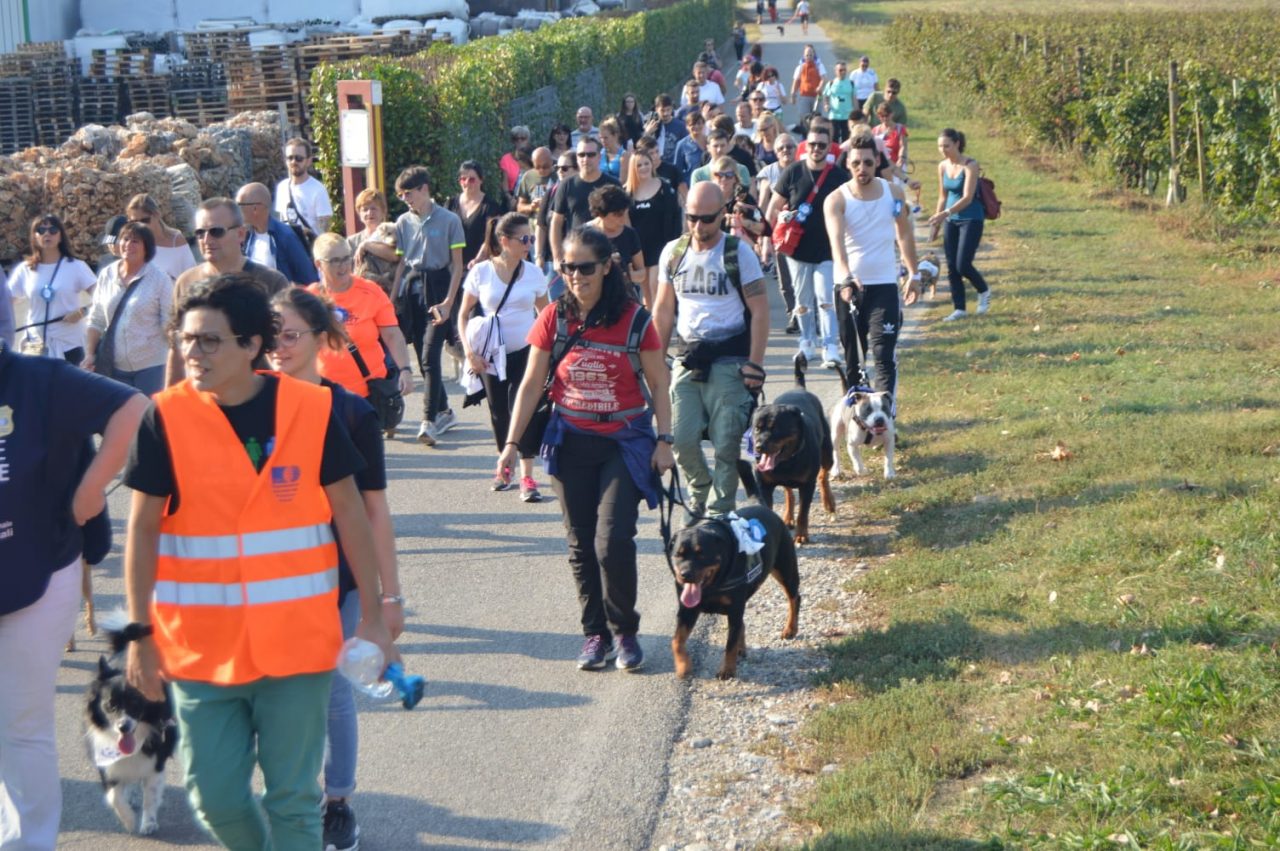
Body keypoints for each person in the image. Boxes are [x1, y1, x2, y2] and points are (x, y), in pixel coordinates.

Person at [123, 274, 398, 851]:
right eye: (186, 339)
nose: (192, 354)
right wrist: (140, 634)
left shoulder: (311, 408)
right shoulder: (164, 418)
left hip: (298, 648)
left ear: (251, 346)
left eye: (209, 342)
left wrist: (374, 612)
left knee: (295, 802)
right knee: (213, 797)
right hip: (201, 650)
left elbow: (351, 513)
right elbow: (142, 529)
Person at [497, 226, 673, 671]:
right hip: (570, 439)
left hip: (624, 442)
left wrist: (666, 441)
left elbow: (659, 383)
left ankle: (625, 632)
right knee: (580, 544)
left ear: (607, 266)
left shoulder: (635, 320)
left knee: (611, 541)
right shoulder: (555, 317)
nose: (576, 275)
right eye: (568, 267)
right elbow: (533, 383)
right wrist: (512, 445)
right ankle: (595, 634)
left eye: (585, 267)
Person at [266, 287, 405, 851]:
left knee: (331, 688)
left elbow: (374, 509)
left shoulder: (350, 411)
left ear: (323, 340)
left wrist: (389, 598)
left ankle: (338, 801)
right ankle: (290, 796)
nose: (278, 346)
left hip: (337, 575)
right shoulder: (249, 404)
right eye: (270, 334)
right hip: (268, 572)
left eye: (291, 334)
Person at [0, 340, 146, 851]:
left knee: (20, 722)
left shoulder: (40, 379)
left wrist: (90, 491)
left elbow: (134, 408)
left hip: (34, 574)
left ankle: (27, 842)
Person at [654, 182, 769, 517]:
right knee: (684, 440)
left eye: (706, 219)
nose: (698, 226)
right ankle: (701, 495)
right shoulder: (673, 253)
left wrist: (755, 364)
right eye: (691, 218)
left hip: (730, 361)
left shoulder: (738, 253)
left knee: (726, 443)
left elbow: (760, 309)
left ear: (723, 214)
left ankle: (719, 514)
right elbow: (663, 310)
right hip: (687, 359)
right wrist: (655, 362)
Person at [456, 213, 549, 501]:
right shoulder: (481, 272)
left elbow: (546, 316)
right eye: (524, 239)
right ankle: (503, 466)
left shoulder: (534, 273)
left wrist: (549, 354)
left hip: (526, 351)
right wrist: (469, 352)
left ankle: (528, 475)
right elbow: (462, 315)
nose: (529, 244)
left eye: (531, 238)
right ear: (504, 241)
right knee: (499, 411)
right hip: (491, 354)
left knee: (527, 410)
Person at [824, 134, 921, 395]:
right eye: (856, 163)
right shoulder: (836, 200)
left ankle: (887, 420)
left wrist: (914, 272)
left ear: (877, 161)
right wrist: (845, 278)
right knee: (855, 360)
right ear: (848, 165)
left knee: (884, 356)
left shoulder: (894, 193)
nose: (862, 169)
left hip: (885, 285)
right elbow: (837, 245)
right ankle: (859, 422)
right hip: (850, 288)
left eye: (868, 162)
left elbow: (904, 235)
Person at [165, 197, 289, 385]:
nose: (207, 240)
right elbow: (176, 347)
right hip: (203, 398)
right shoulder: (186, 283)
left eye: (216, 232)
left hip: (258, 397)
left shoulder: (271, 282)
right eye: (200, 233)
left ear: (241, 234)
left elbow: (287, 346)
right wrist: (168, 402)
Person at [390, 166, 466, 444]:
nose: (405, 199)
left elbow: (457, 266)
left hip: (439, 285)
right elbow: (400, 263)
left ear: (424, 189)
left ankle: (428, 420)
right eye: (401, 195)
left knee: (430, 356)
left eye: (408, 193)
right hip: (412, 287)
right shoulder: (402, 222)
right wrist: (392, 299)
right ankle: (445, 411)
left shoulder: (449, 220)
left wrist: (448, 301)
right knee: (422, 356)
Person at [768, 122, 850, 367]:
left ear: (829, 147)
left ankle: (831, 346)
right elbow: (773, 206)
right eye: (812, 144)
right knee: (802, 301)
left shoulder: (838, 175)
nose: (816, 149)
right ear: (806, 146)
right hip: (797, 251)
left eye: (821, 145)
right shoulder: (793, 172)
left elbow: (849, 207)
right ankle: (806, 342)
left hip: (827, 249)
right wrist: (782, 216)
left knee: (826, 299)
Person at [307, 233, 414, 419]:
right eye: (334, 261)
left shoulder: (370, 291)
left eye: (346, 258)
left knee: (366, 447)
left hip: (368, 393)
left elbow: (392, 335)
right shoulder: (309, 299)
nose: (343, 266)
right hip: (323, 393)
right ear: (319, 264)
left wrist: (405, 369)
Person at [83, 221, 173, 395]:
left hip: (152, 367)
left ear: (147, 247)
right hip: (114, 367)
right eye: (125, 239)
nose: (128, 245)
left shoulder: (160, 279)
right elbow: (96, 319)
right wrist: (89, 354)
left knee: (151, 418)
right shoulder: (107, 275)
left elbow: (168, 322)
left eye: (135, 241)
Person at [7, 215, 96, 365]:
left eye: (53, 230)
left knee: (69, 388)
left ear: (61, 236)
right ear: (34, 237)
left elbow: (104, 297)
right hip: (35, 344)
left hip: (69, 343)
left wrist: (83, 312)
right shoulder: (25, 270)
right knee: (36, 388)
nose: (47, 234)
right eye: (41, 230)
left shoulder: (76, 266)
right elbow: (5, 302)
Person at [928, 128, 990, 321]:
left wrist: (946, 212)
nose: (943, 150)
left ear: (957, 144)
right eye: (940, 146)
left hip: (971, 218)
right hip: (950, 220)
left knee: (963, 264)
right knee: (952, 266)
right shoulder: (942, 166)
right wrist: (937, 223)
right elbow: (942, 196)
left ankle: (984, 291)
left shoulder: (971, 165)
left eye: (946, 146)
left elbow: (967, 197)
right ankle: (959, 308)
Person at [625, 143, 682, 309]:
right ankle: (653, 327)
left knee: (655, 285)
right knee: (647, 295)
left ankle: (662, 324)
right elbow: (626, 226)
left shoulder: (665, 188)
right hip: (640, 250)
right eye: (639, 165)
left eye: (646, 163)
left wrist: (676, 249)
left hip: (662, 247)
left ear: (652, 165)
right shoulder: (627, 193)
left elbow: (676, 219)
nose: (643, 168)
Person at [549, 136, 620, 267]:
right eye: (581, 155)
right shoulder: (566, 185)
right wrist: (557, 256)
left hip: (607, 254)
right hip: (576, 254)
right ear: (576, 158)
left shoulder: (613, 184)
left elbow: (623, 220)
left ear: (599, 157)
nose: (585, 159)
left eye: (591, 154)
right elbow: (556, 222)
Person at [237, 182, 320, 286]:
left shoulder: (285, 236)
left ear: (255, 209)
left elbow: (309, 279)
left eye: (239, 205)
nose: (237, 211)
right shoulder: (249, 237)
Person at [758, 133, 800, 333]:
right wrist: (763, 239)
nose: (786, 151)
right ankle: (793, 313)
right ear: (775, 152)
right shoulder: (770, 172)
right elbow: (763, 205)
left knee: (804, 276)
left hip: (804, 232)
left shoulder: (804, 169)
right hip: (781, 235)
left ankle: (807, 314)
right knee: (785, 279)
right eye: (781, 148)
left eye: (790, 147)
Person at [446, 160, 511, 269]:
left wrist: (477, 260)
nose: (466, 183)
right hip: (452, 266)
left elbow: (489, 239)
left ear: (481, 180)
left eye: (472, 179)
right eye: (463, 179)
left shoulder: (490, 206)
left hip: (478, 266)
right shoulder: (450, 203)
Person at [586, 185, 645, 296]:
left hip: (623, 295)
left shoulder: (630, 234)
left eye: (625, 213)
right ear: (601, 214)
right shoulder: (584, 235)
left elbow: (642, 274)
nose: (623, 219)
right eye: (617, 215)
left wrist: (628, 275)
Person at [125, 193, 197, 280]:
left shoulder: (175, 240)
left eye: (144, 220)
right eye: (134, 223)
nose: (140, 226)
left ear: (157, 215)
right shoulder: (133, 244)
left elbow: (192, 276)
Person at [274, 137, 333, 239]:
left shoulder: (318, 190)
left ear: (309, 161)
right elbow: (281, 220)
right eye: (290, 158)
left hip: (309, 248)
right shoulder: (282, 187)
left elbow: (325, 229)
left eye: (299, 158)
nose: (293, 162)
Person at [348, 189, 399, 295]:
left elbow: (398, 255)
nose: (369, 213)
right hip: (362, 296)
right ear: (359, 213)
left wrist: (366, 245)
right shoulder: (351, 242)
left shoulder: (395, 232)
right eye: (365, 209)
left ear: (383, 211)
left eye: (374, 208)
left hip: (391, 295)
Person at [712, 157, 768, 251]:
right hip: (714, 250)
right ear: (713, 178)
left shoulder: (745, 199)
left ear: (735, 178)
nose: (724, 179)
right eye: (719, 175)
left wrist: (744, 222)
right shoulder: (707, 199)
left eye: (729, 175)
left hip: (742, 250)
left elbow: (762, 227)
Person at [538, 153, 578, 276]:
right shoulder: (551, 192)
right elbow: (541, 226)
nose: (560, 171)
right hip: (553, 262)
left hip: (579, 261)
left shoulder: (583, 193)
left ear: (577, 169)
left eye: (565, 168)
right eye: (557, 168)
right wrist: (539, 256)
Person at [515, 147, 556, 264]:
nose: (542, 170)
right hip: (534, 230)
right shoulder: (528, 177)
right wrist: (531, 206)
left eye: (546, 166)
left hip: (556, 228)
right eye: (537, 167)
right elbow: (520, 207)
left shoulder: (560, 173)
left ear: (552, 161)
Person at [644, 94, 686, 165]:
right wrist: (647, 133)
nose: (666, 113)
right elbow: (640, 147)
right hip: (654, 165)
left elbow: (685, 147)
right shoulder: (650, 124)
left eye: (668, 110)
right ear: (656, 109)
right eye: (662, 110)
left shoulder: (680, 126)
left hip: (673, 166)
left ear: (672, 109)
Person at [822, 61, 857, 144]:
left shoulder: (851, 83)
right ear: (836, 71)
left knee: (847, 140)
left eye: (844, 70)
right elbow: (825, 96)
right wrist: (826, 105)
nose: (843, 72)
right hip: (834, 116)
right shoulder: (831, 83)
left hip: (847, 116)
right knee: (834, 139)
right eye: (840, 70)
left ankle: (845, 156)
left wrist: (856, 114)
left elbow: (854, 99)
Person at [790, 45, 827, 120]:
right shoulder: (800, 67)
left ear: (814, 55)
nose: (809, 57)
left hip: (816, 97)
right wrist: (793, 95)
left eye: (811, 55)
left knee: (817, 118)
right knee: (804, 118)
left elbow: (824, 78)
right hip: (804, 97)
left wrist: (820, 87)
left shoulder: (819, 66)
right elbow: (796, 81)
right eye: (807, 55)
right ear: (804, 56)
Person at [673, 112, 708, 188]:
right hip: (691, 186)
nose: (696, 126)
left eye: (699, 123)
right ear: (687, 127)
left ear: (704, 124)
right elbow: (677, 171)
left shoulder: (711, 141)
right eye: (692, 124)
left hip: (710, 185)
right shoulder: (682, 144)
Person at [873, 102, 910, 169]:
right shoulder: (875, 131)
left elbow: (903, 146)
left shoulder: (900, 129)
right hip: (882, 166)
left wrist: (901, 157)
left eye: (887, 115)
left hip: (897, 164)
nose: (884, 118)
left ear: (892, 114)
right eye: (882, 116)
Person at [499, 125, 532, 194]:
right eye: (516, 139)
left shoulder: (534, 157)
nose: (519, 141)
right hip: (511, 196)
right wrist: (510, 199)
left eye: (523, 138)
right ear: (512, 141)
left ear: (527, 140)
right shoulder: (506, 159)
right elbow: (504, 184)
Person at [597, 117, 630, 182]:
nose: (603, 141)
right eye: (601, 138)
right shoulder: (599, 154)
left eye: (606, 138)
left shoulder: (624, 155)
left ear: (615, 136)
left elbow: (623, 181)